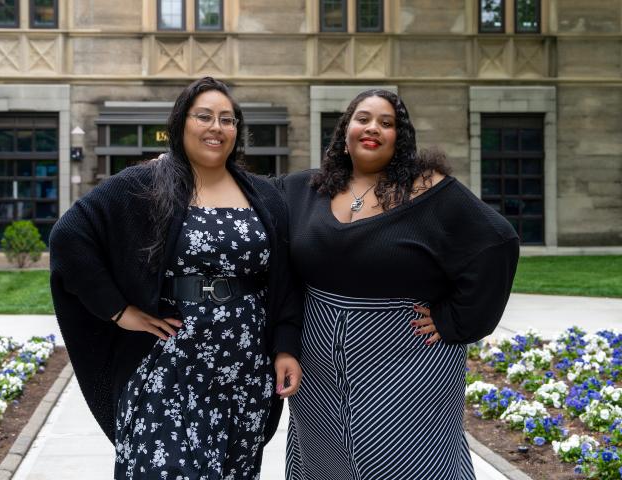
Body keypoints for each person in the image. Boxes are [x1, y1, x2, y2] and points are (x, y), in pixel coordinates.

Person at [49, 77, 302, 479]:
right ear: (181, 123)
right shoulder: (145, 184)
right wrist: (117, 311)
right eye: (204, 116)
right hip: (169, 367)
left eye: (227, 119)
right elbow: (69, 236)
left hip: (243, 371)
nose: (216, 127)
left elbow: (283, 280)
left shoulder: (263, 194)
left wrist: (285, 347)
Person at [276, 89, 519, 479]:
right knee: (325, 460)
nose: (373, 128)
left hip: (408, 365)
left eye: (386, 123)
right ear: (345, 131)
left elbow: (497, 242)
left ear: (400, 137)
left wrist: (456, 321)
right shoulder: (304, 189)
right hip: (319, 364)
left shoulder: (428, 190)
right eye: (363, 118)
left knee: (408, 463)